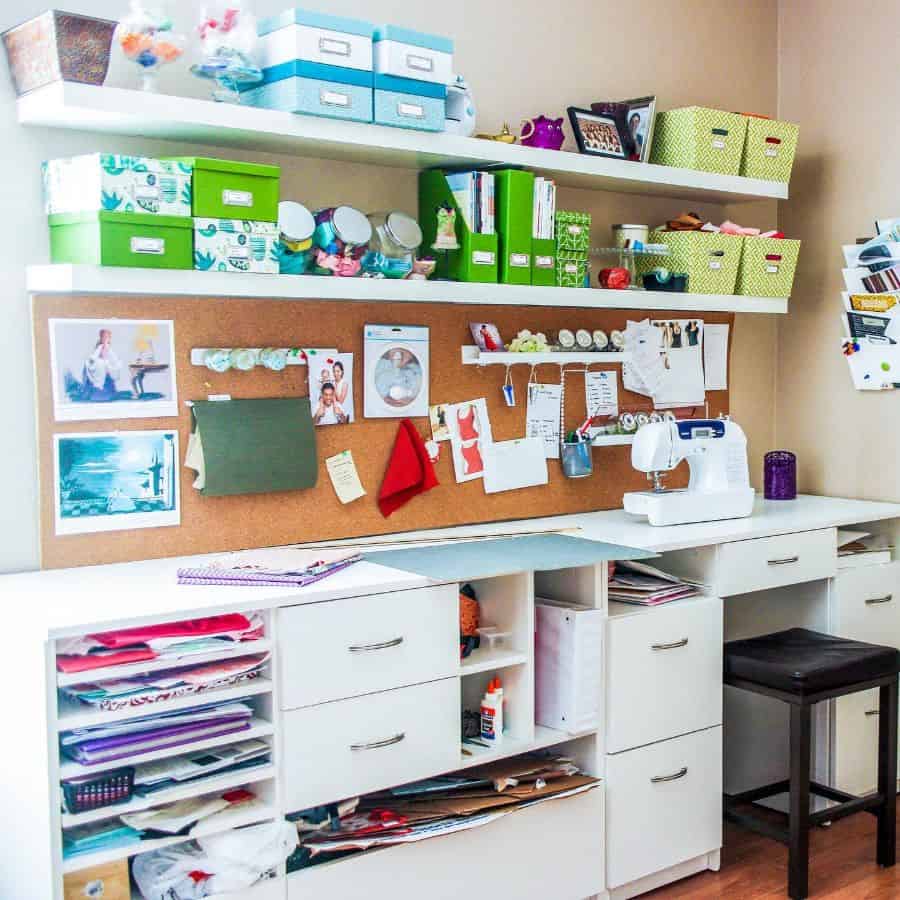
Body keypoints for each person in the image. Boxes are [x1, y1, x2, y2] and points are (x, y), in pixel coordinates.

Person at [80, 328, 123, 402]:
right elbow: (94, 356)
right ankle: (97, 392)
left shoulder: (108, 347)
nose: (106, 339)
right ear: (101, 338)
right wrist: (95, 360)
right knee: (99, 365)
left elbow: (113, 357)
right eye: (104, 337)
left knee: (111, 367)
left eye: (107, 337)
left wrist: (114, 362)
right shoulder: (100, 347)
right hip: (99, 367)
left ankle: (110, 393)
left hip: (106, 366)